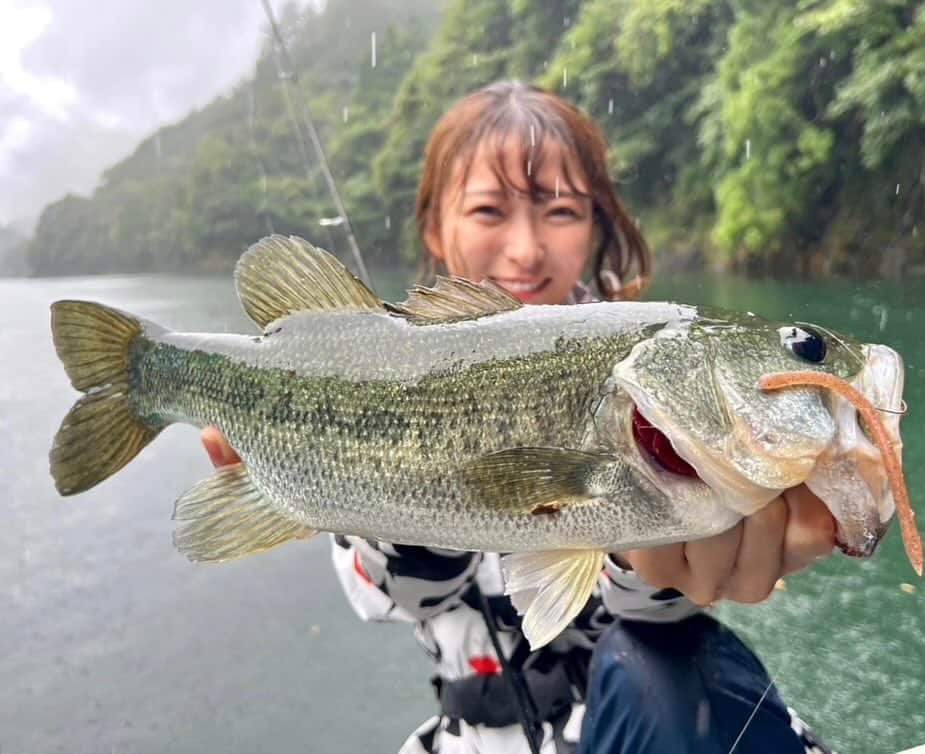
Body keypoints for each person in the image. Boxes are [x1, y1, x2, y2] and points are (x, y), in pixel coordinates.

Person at [200, 80, 837, 754]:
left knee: (676, 671)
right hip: (474, 736)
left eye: (560, 210)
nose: (527, 249)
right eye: (487, 209)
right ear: (434, 229)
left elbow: (649, 617)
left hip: (635, 725)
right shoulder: (364, 369)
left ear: (597, 222)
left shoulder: (667, 374)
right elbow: (395, 596)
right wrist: (359, 477)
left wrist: (670, 550)